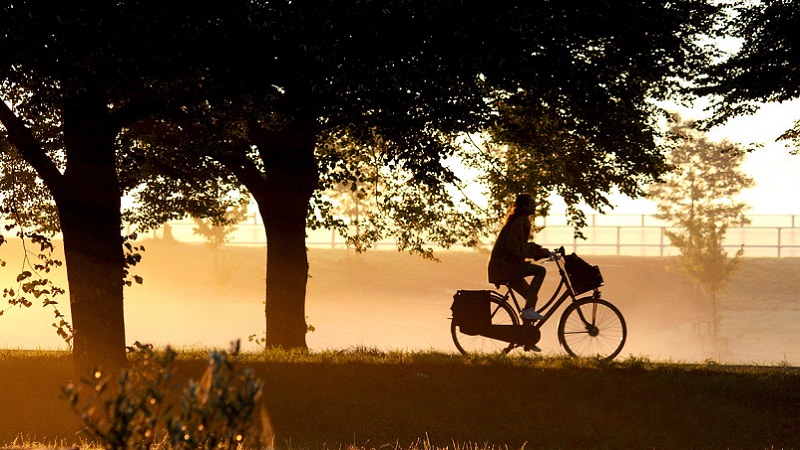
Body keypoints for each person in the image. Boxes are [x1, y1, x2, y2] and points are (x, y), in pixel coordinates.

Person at [488, 193, 550, 323]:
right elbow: (514, 247)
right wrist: (537, 251)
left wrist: (539, 251)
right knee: (540, 271)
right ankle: (528, 312)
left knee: (531, 297)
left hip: (505, 266)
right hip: (506, 267)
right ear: (524, 206)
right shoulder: (520, 221)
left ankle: (527, 337)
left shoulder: (519, 220)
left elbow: (518, 247)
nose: (535, 206)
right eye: (532, 203)